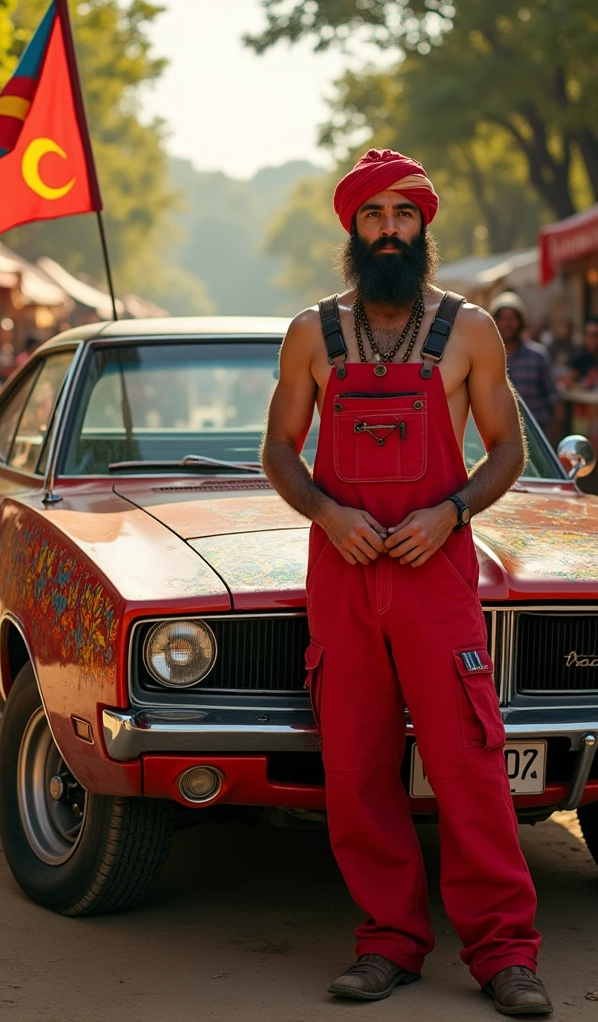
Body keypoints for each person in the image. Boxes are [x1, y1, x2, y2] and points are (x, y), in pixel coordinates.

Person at [262, 148, 551, 1016]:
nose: (390, 228)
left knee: (468, 760)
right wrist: (325, 512)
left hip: (436, 573)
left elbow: (509, 449)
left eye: (404, 214)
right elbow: (278, 450)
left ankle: (505, 953)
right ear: (352, 227)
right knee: (357, 768)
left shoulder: (468, 331)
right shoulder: (311, 332)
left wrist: (453, 513)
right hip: (343, 574)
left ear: (424, 225)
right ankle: (389, 941)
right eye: (373, 215)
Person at [490, 291, 562, 438]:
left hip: (535, 435)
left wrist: (556, 426)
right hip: (496, 436)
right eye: (502, 318)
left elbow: (553, 395)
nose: (507, 323)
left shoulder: (538, 355)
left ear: (521, 321)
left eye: (512, 318)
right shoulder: (486, 357)